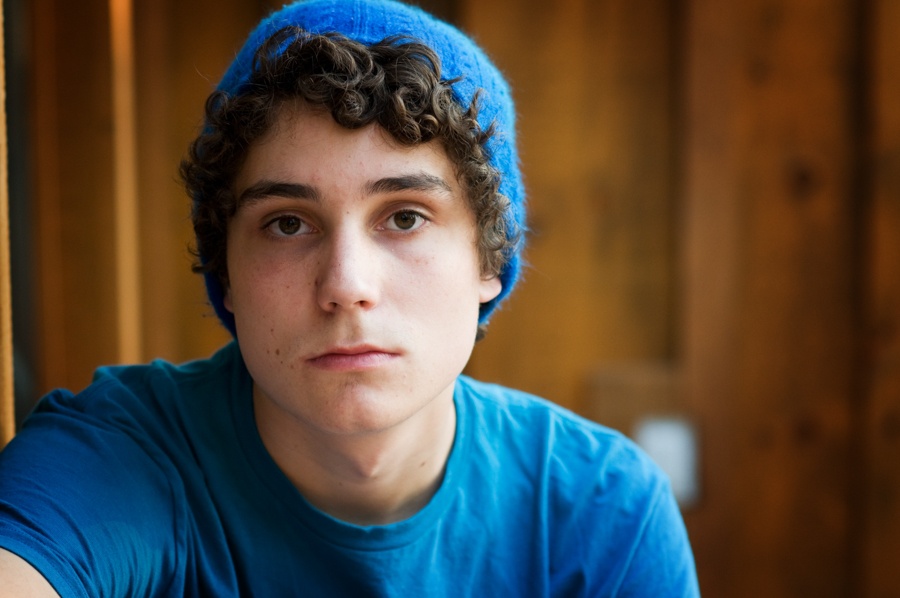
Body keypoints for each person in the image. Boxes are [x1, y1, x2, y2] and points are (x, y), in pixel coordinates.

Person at [0, 0, 700, 595]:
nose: (346, 286)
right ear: (227, 275)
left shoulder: (603, 511)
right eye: (287, 223)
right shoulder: (126, 456)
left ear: (491, 258)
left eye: (404, 217)